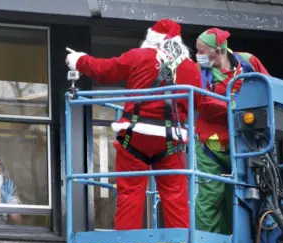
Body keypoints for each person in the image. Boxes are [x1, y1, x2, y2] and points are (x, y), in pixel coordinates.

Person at [65, 19, 202, 230]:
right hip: (170, 139)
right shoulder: (190, 68)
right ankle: (181, 242)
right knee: (176, 196)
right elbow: (198, 102)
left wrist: (79, 60)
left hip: (134, 134)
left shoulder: (139, 56)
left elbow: (105, 70)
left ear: (151, 39)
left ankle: (125, 241)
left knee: (130, 193)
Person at [194, 28, 269, 235]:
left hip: (245, 145)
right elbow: (204, 104)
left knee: (239, 197)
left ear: (217, 51)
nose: (197, 55)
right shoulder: (199, 73)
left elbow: (268, 88)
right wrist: (237, 106)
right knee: (210, 198)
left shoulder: (248, 62)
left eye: (201, 51)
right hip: (211, 147)